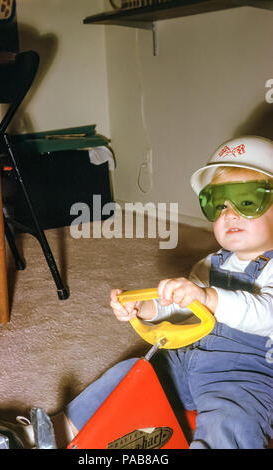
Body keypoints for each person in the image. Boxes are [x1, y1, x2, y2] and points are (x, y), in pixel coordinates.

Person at [63, 135, 273, 449]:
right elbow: (178, 306)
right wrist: (145, 307)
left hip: (248, 378)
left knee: (230, 421)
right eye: (217, 203)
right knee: (133, 373)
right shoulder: (212, 263)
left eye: (246, 201)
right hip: (190, 362)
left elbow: (264, 314)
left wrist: (209, 298)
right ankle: (60, 431)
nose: (229, 214)